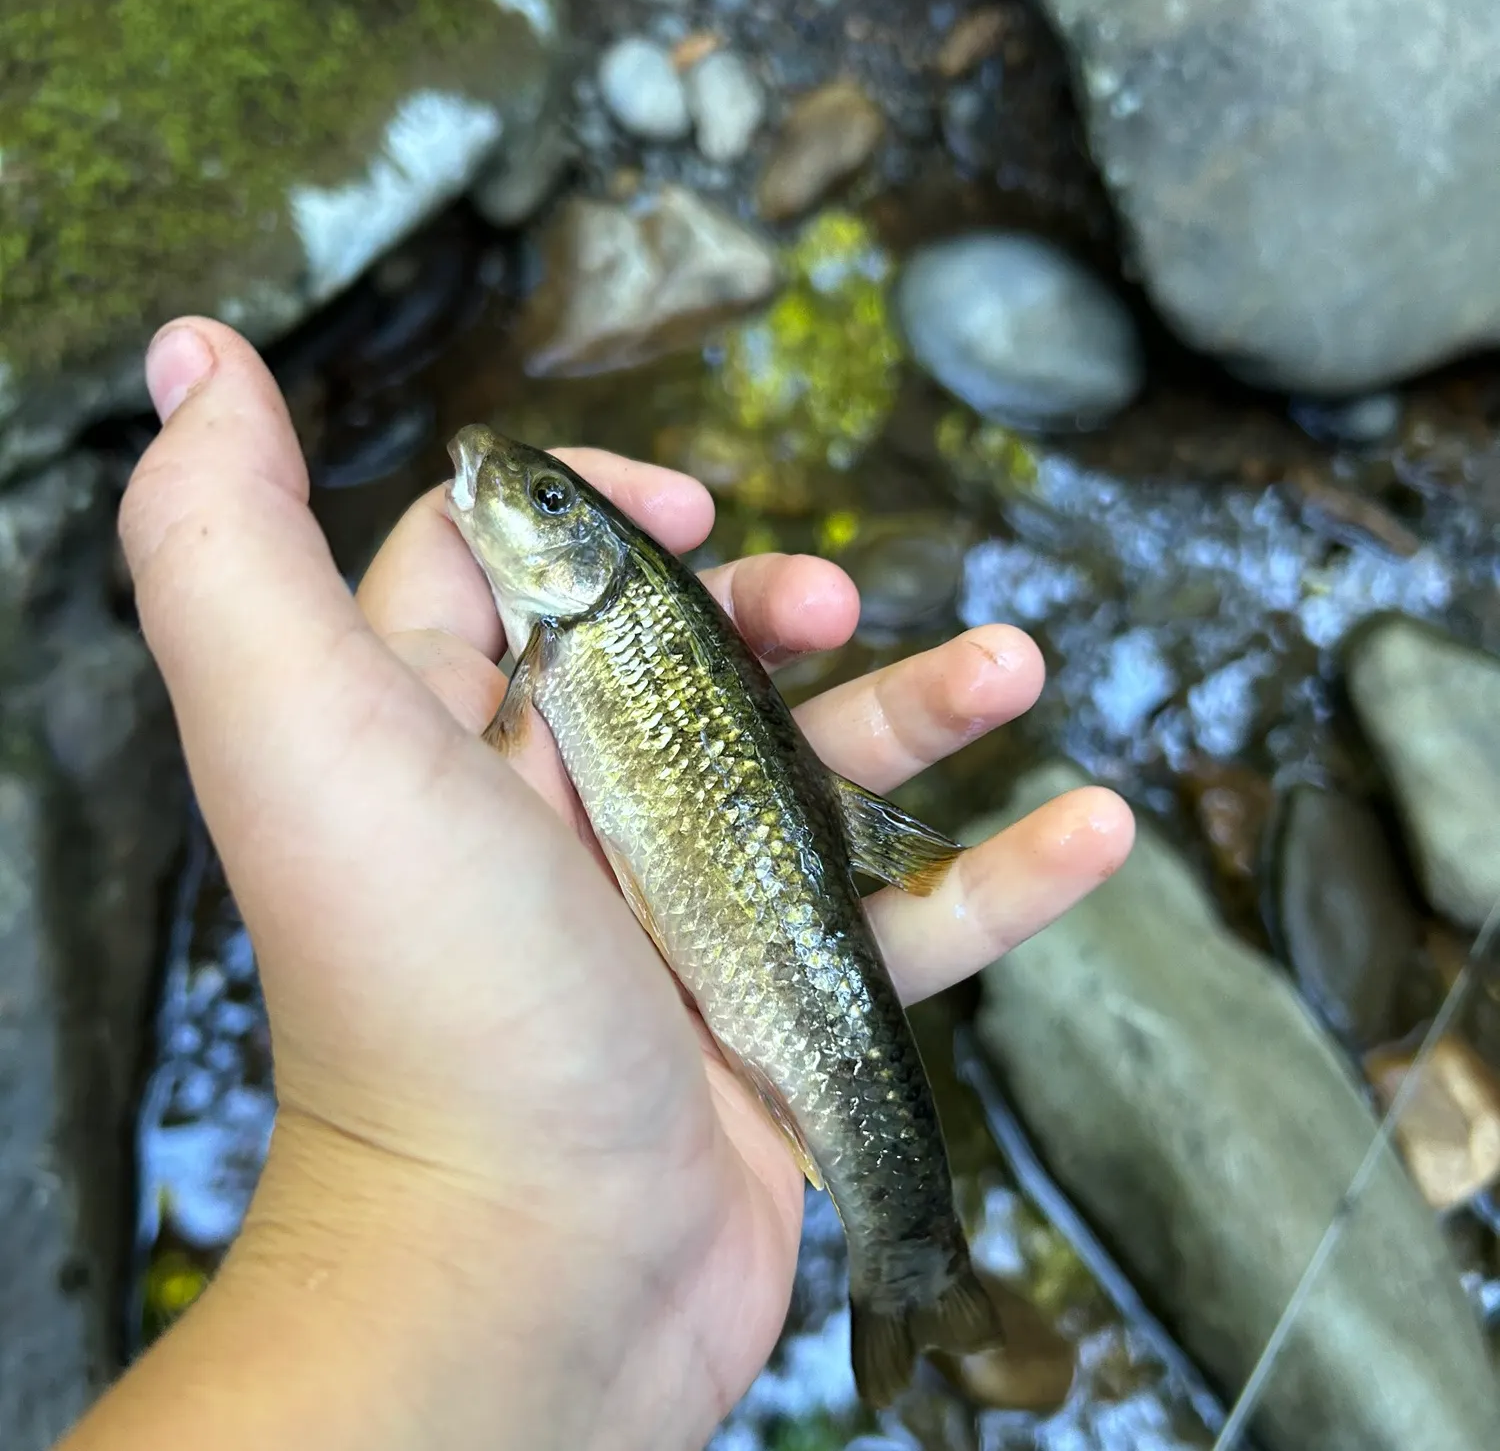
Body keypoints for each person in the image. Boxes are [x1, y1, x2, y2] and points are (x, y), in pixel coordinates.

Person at [57, 318, 1134, 1450]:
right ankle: (915, 1260)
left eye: (554, 507)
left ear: (583, 562)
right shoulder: (547, 641)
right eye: (554, 504)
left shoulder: (559, 644)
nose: (496, 469)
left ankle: (911, 1256)